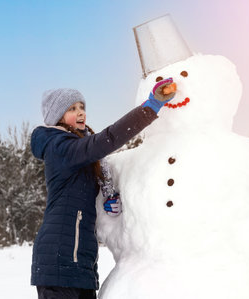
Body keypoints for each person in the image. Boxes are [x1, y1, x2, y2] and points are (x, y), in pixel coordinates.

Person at [30, 78, 177, 299]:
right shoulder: (61, 147)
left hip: (80, 261)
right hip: (60, 260)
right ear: (57, 117)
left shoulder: (77, 154)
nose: (81, 112)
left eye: (82, 107)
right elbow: (106, 140)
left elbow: (78, 193)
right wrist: (150, 107)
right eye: (72, 108)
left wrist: (105, 199)